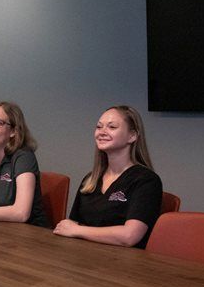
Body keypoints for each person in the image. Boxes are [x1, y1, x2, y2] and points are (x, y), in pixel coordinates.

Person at [54, 105, 162, 248]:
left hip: (124, 264)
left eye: (112, 127)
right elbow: (72, 224)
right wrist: (73, 229)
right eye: (99, 127)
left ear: (132, 136)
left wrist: (78, 231)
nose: (102, 132)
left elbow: (129, 236)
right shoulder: (89, 180)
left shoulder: (146, 180)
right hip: (85, 258)